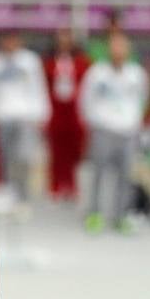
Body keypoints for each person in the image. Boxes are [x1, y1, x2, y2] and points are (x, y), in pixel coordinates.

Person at [79, 32, 148, 233]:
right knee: (98, 174)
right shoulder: (97, 73)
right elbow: (86, 100)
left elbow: (141, 100)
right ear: (108, 50)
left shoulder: (136, 74)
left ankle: (121, 215)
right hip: (103, 129)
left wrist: (134, 122)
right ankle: (94, 214)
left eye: (122, 47)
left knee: (126, 176)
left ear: (128, 51)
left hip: (127, 130)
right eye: (114, 47)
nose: (118, 51)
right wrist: (94, 123)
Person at [0, 30, 50, 204]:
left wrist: (42, 114)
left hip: (25, 117)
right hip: (3, 117)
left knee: (24, 157)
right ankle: (8, 192)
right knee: (5, 158)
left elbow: (38, 89)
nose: (10, 43)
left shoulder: (30, 62)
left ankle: (23, 193)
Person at [43, 28, 90, 199]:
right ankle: (56, 185)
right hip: (56, 108)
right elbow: (44, 87)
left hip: (74, 109)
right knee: (56, 150)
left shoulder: (81, 62)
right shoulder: (49, 63)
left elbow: (87, 87)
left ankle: (72, 185)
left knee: (74, 151)